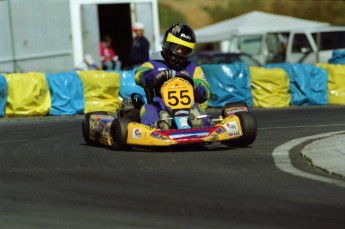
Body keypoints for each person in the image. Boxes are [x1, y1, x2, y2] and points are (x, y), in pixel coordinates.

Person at [134, 23, 210, 128]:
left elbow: (205, 91)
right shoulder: (153, 64)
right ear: (168, 44)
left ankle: (200, 125)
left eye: (185, 50)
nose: (180, 52)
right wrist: (156, 76)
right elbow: (139, 76)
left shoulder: (193, 68)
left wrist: (195, 86)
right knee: (148, 109)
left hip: (189, 110)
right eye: (177, 47)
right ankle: (158, 126)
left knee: (198, 108)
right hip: (160, 108)